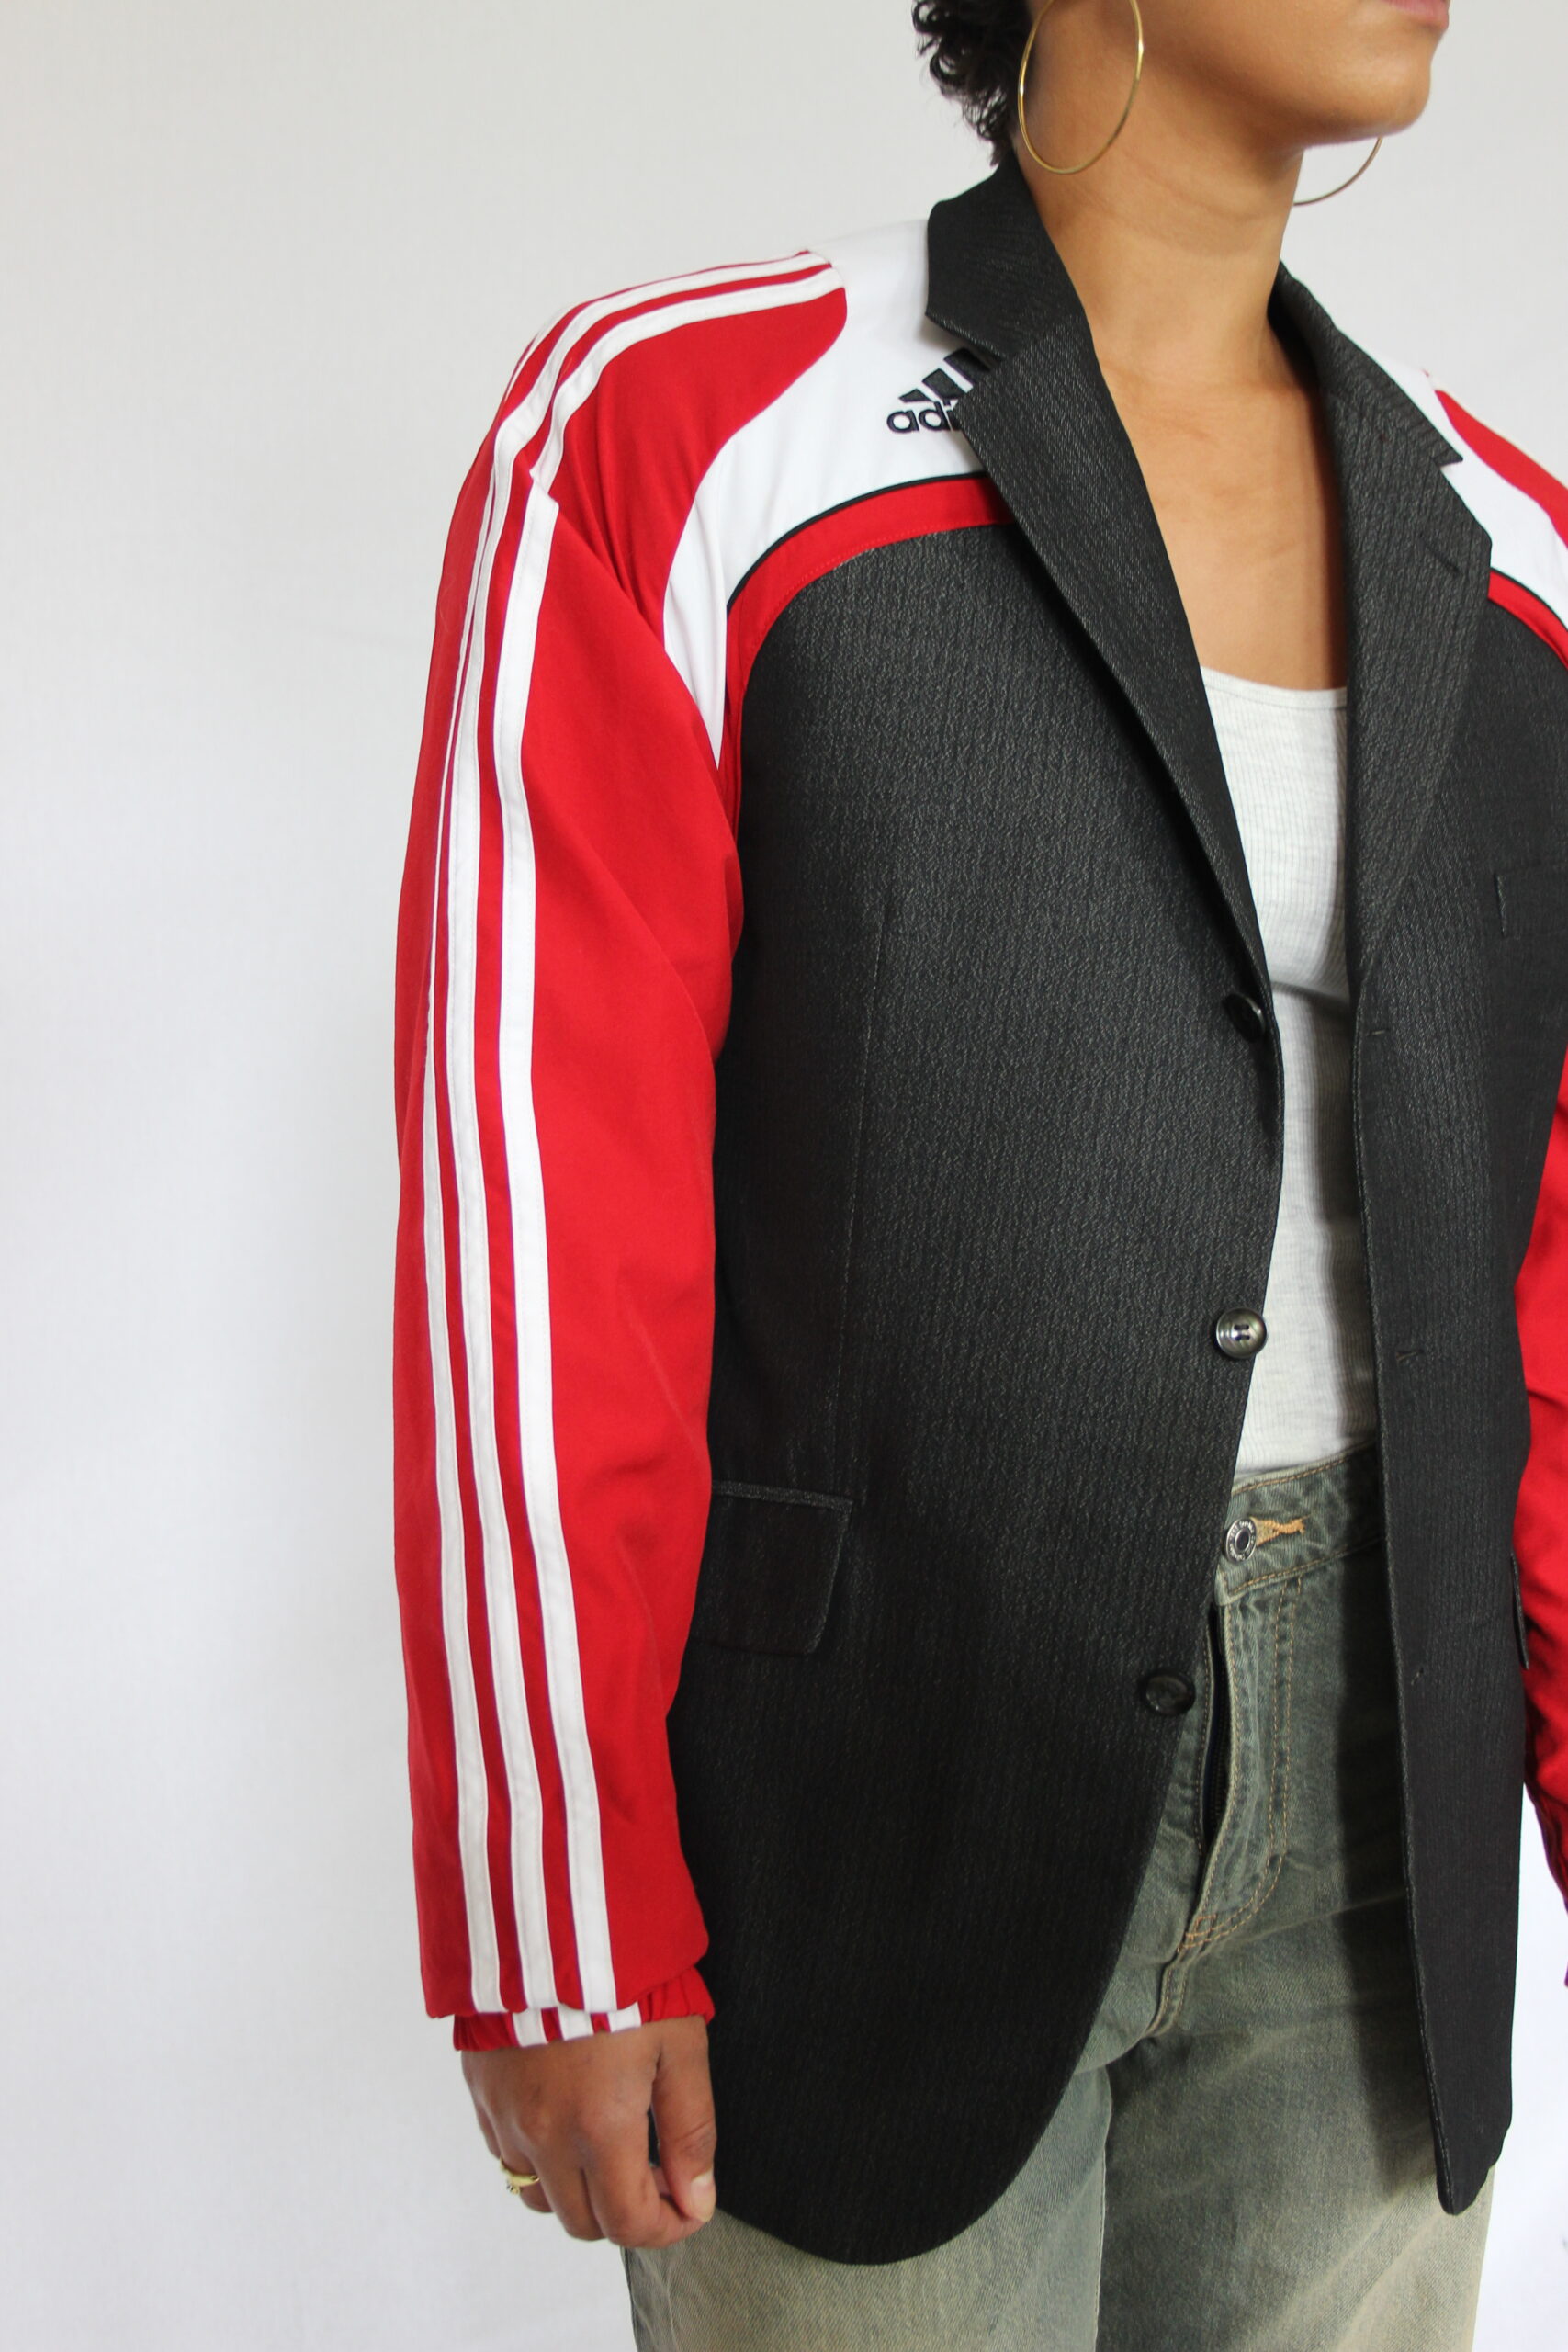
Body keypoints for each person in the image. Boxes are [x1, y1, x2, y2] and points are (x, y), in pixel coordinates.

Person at [390, 2, 1568, 2344]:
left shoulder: (1507, 545)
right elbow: (540, 1210)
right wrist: (557, 1903)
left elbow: (1543, 1249)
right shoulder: (677, 428)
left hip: (1383, 1791)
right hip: (867, 1765)